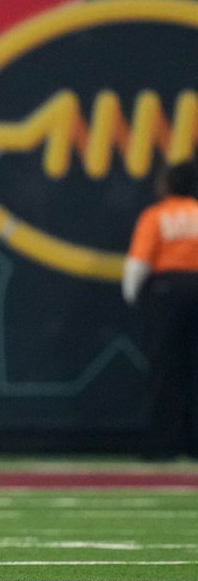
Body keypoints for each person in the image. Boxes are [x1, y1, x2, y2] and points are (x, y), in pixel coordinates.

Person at [123, 161, 198, 460]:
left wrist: (134, 296)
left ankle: (161, 445)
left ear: (167, 185)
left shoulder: (156, 215)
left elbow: (138, 264)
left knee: (165, 370)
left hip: (168, 293)